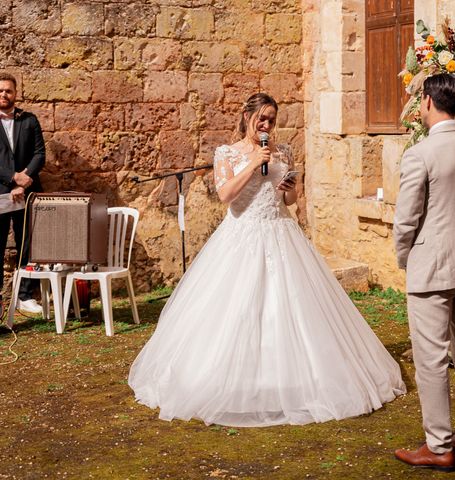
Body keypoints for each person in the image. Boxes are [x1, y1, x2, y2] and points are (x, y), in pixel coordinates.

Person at [129, 92, 406, 426]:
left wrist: (290, 183)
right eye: (261, 119)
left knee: (290, 307)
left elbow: (290, 199)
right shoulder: (227, 153)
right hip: (241, 236)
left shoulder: (283, 151)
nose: (266, 125)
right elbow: (226, 196)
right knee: (238, 309)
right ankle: (234, 380)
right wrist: (252, 162)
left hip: (281, 232)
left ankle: (294, 378)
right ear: (247, 116)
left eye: (271, 120)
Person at [392, 74, 455, 471]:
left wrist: (406, 258)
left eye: (420, 100)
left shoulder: (421, 153)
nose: (419, 106)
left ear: (430, 101)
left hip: (432, 266)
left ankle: (438, 446)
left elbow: (406, 220)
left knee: (431, 358)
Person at [0, 72, 44, 315]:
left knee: (29, 243)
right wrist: (11, 178)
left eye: (8, 90)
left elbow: (40, 154)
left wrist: (24, 181)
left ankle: (26, 295)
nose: (4, 94)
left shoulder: (29, 120)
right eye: (0, 90)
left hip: (27, 193)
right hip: (0, 194)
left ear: (15, 93)